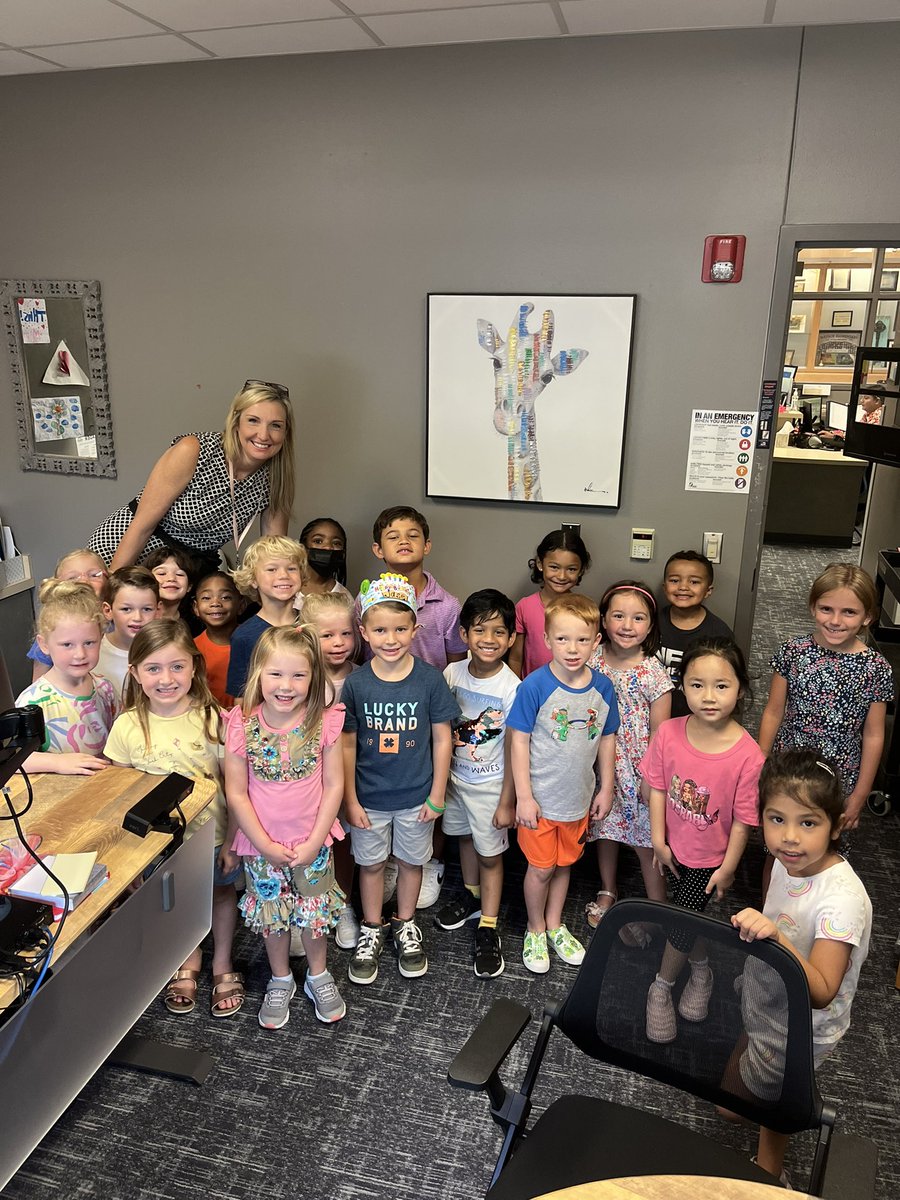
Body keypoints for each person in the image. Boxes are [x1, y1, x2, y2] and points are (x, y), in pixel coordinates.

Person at [730, 750, 871, 1186]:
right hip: (767, 996)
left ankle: (770, 1177)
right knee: (737, 1093)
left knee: (773, 1105)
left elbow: (824, 988)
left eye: (807, 823)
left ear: (835, 825)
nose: (789, 837)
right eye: (776, 819)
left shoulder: (841, 899)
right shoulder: (786, 864)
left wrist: (776, 938)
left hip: (803, 1025)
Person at [105, 620, 243, 1017]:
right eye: (153, 668)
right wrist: (125, 858)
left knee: (219, 894)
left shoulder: (213, 718)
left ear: (195, 667)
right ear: (135, 673)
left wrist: (234, 839)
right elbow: (119, 795)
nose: (166, 679)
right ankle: (188, 961)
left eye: (177, 667)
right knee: (172, 903)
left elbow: (234, 788)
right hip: (153, 844)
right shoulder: (128, 725)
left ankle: (222, 964)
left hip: (213, 837)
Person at [223, 625, 347, 1029]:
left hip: (313, 842)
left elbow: (334, 786)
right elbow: (237, 794)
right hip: (262, 847)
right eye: (276, 674)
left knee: (314, 915)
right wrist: (264, 845)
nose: (286, 686)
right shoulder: (240, 724)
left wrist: (314, 841)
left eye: (298, 675)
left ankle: (317, 975)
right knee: (272, 916)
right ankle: (280, 979)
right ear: (259, 673)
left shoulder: (325, 721)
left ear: (314, 678)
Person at [641, 637, 763, 1044]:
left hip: (712, 857)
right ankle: (702, 969)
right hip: (672, 848)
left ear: (740, 689)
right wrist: (658, 840)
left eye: (721, 686)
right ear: (682, 686)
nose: (708, 696)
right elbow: (657, 788)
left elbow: (745, 819)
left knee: (681, 919)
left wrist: (728, 867)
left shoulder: (748, 755)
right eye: (697, 685)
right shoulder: (670, 733)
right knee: (685, 915)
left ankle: (661, 986)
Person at [341, 574, 459, 985]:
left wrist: (438, 794)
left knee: (412, 862)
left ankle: (406, 923)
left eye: (399, 629)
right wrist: (351, 800)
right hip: (370, 798)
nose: (390, 639)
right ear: (364, 632)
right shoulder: (356, 684)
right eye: (379, 630)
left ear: (415, 629)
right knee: (371, 865)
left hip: (417, 797)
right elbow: (347, 746)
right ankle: (372, 927)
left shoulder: (429, 680)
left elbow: (443, 739)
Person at [507, 593, 618, 975]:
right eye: (563, 639)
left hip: (577, 800)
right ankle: (535, 927)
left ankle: (555, 923)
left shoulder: (603, 688)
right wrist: (523, 797)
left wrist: (606, 788)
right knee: (540, 868)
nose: (573, 649)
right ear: (547, 639)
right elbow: (518, 740)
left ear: (596, 640)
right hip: (539, 800)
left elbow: (607, 737)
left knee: (565, 863)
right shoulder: (534, 686)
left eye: (582, 640)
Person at [367, 504, 467, 908]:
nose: (403, 541)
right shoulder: (368, 602)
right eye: (393, 535)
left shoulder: (446, 605)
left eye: (412, 535)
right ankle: (391, 858)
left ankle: (429, 861)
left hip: (430, 709)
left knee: (431, 786)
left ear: (427, 545)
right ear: (377, 549)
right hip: (384, 710)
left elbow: (458, 661)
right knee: (389, 782)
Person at [88, 380, 295, 573]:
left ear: (286, 432)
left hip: (188, 569)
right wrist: (115, 584)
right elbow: (142, 526)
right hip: (130, 549)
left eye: (275, 425)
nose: (263, 435)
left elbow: (274, 551)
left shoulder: (276, 477)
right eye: (253, 421)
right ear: (236, 422)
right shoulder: (194, 450)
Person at [758, 563, 893, 830]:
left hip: (841, 769)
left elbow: (874, 734)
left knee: (826, 841)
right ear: (813, 607)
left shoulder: (876, 668)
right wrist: (758, 765)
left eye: (849, 612)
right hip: (789, 760)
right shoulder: (792, 652)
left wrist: (861, 793)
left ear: (867, 617)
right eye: (826, 609)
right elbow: (773, 712)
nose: (835, 621)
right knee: (780, 842)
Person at [434, 589, 520, 978]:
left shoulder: (511, 688)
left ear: (511, 638)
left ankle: (489, 923)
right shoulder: (451, 674)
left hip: (491, 786)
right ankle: (470, 896)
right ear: (464, 635)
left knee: (491, 854)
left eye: (499, 632)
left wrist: (507, 801)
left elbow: (518, 750)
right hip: (456, 780)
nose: (489, 639)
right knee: (463, 839)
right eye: (480, 630)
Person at [584, 581, 673, 932]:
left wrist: (651, 780)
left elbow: (660, 735)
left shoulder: (654, 674)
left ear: (650, 626)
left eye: (638, 618)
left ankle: (658, 906)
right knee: (605, 828)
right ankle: (608, 889)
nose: (626, 625)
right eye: (618, 616)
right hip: (596, 761)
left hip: (638, 768)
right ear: (603, 620)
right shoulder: (590, 659)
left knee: (643, 838)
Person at [300, 590, 361, 951]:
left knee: (345, 843)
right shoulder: (301, 680)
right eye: (327, 635)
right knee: (310, 843)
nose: (339, 643)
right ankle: (305, 909)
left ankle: (345, 905)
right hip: (309, 783)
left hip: (350, 778)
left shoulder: (362, 678)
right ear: (308, 635)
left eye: (346, 634)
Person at [16, 580, 116, 775]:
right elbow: (12, 761)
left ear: (101, 638)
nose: (79, 654)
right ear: (44, 644)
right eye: (67, 645)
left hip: (104, 788)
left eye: (89, 642)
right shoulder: (32, 702)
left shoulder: (106, 688)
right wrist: (58, 763)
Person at [225, 535, 306, 699]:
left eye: (291, 568)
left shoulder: (311, 625)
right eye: (272, 569)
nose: (283, 575)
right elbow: (241, 698)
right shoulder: (243, 636)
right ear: (253, 579)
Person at [656, 550, 734, 718]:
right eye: (675, 580)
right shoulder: (650, 623)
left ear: (708, 590)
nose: (683, 587)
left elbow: (726, 683)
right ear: (665, 587)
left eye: (694, 582)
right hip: (652, 715)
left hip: (696, 718)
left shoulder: (719, 633)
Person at [509, 529, 592, 680]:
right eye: (554, 567)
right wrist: (517, 690)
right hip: (533, 692)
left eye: (571, 569)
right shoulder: (524, 607)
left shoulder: (584, 610)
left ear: (581, 570)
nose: (561, 576)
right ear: (540, 564)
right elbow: (515, 658)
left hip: (570, 690)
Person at [27, 548, 109, 682]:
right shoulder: (53, 629)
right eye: (72, 577)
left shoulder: (118, 621)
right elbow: (38, 680)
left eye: (94, 575)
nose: (84, 582)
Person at [96, 566, 161, 701]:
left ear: (158, 611)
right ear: (108, 611)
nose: (137, 617)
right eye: (126, 609)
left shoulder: (164, 653)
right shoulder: (94, 653)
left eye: (147, 609)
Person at [192, 570, 244, 708]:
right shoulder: (192, 649)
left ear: (241, 605)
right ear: (196, 608)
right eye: (206, 598)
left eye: (225, 597)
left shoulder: (253, 642)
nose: (215, 603)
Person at [293, 517, 352, 606]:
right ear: (303, 548)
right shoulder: (287, 587)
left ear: (343, 552)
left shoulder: (345, 598)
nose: (328, 547)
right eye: (318, 541)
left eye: (336, 543)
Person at [145, 546, 197, 621]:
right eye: (161, 573)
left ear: (189, 586)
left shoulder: (193, 625)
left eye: (180, 574)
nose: (171, 578)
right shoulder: (136, 619)